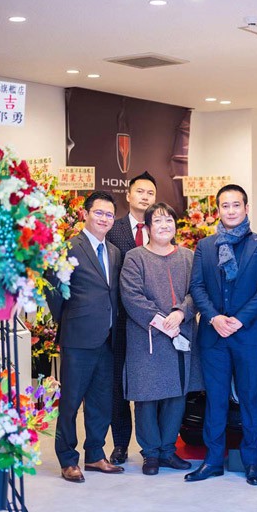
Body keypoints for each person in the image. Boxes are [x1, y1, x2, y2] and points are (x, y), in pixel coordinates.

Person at [185, 184, 257, 486]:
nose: (231, 210)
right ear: (218, 210)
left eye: (236, 205)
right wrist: (214, 318)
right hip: (214, 336)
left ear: (246, 208)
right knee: (216, 401)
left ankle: (252, 462)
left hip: (248, 334)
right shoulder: (205, 246)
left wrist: (238, 320)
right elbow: (197, 286)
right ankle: (213, 461)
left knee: (250, 398)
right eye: (225, 206)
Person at [120, 202, 203, 476]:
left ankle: (168, 450)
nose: (164, 226)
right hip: (148, 339)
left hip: (181, 335)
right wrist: (162, 322)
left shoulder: (188, 257)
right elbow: (131, 297)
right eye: (158, 221)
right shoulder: (135, 258)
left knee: (177, 395)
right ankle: (151, 453)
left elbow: (197, 292)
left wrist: (181, 313)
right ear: (147, 227)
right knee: (147, 397)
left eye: (169, 220)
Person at [47, 191, 124, 483]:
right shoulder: (68, 248)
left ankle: (94, 454)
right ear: (85, 214)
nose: (104, 218)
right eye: (98, 213)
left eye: (109, 214)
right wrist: (70, 321)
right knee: (70, 402)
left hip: (108, 337)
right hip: (78, 338)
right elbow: (53, 291)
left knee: (100, 401)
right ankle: (68, 459)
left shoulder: (114, 252)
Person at [105, 171, 157, 465]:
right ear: (128, 195)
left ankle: (155, 447)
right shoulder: (114, 229)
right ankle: (121, 445)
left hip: (153, 323)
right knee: (118, 385)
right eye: (140, 191)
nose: (145, 197)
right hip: (121, 321)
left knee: (149, 384)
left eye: (150, 193)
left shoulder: (161, 228)